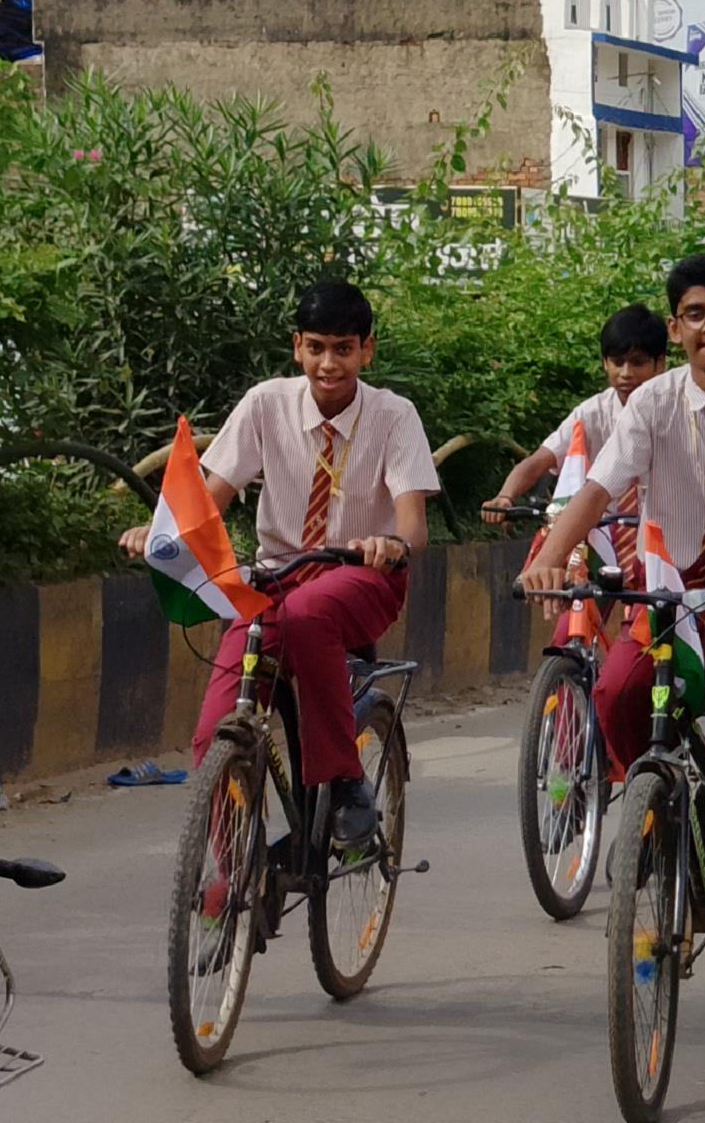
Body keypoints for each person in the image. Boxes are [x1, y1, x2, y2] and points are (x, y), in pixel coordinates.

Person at [520, 252, 705, 1025]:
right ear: (676, 328)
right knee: (617, 694)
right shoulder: (650, 402)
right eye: (695, 314)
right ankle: (655, 803)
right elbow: (598, 488)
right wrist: (550, 560)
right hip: (671, 599)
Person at [120, 281, 438, 846]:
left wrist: (391, 544)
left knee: (310, 612)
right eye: (316, 347)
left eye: (344, 348)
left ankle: (344, 780)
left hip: (364, 577)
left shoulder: (395, 416)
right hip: (274, 581)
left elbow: (414, 522)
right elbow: (207, 502)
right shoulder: (266, 403)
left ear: (368, 350)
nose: (328, 363)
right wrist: (162, 534)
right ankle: (232, 869)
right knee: (215, 729)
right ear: (297, 346)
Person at [483, 303, 665, 558]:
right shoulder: (591, 413)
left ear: (660, 364)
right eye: (617, 362)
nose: (626, 373)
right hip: (601, 542)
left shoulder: (677, 410)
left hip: (665, 542)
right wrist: (505, 496)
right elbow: (539, 461)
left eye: (638, 363)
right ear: (604, 363)